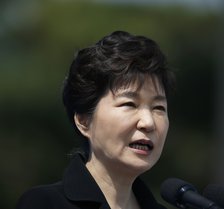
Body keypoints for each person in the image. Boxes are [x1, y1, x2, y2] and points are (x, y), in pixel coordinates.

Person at [16, 31, 175, 209]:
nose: (148, 122)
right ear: (84, 121)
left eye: (158, 108)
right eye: (129, 104)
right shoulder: (44, 203)